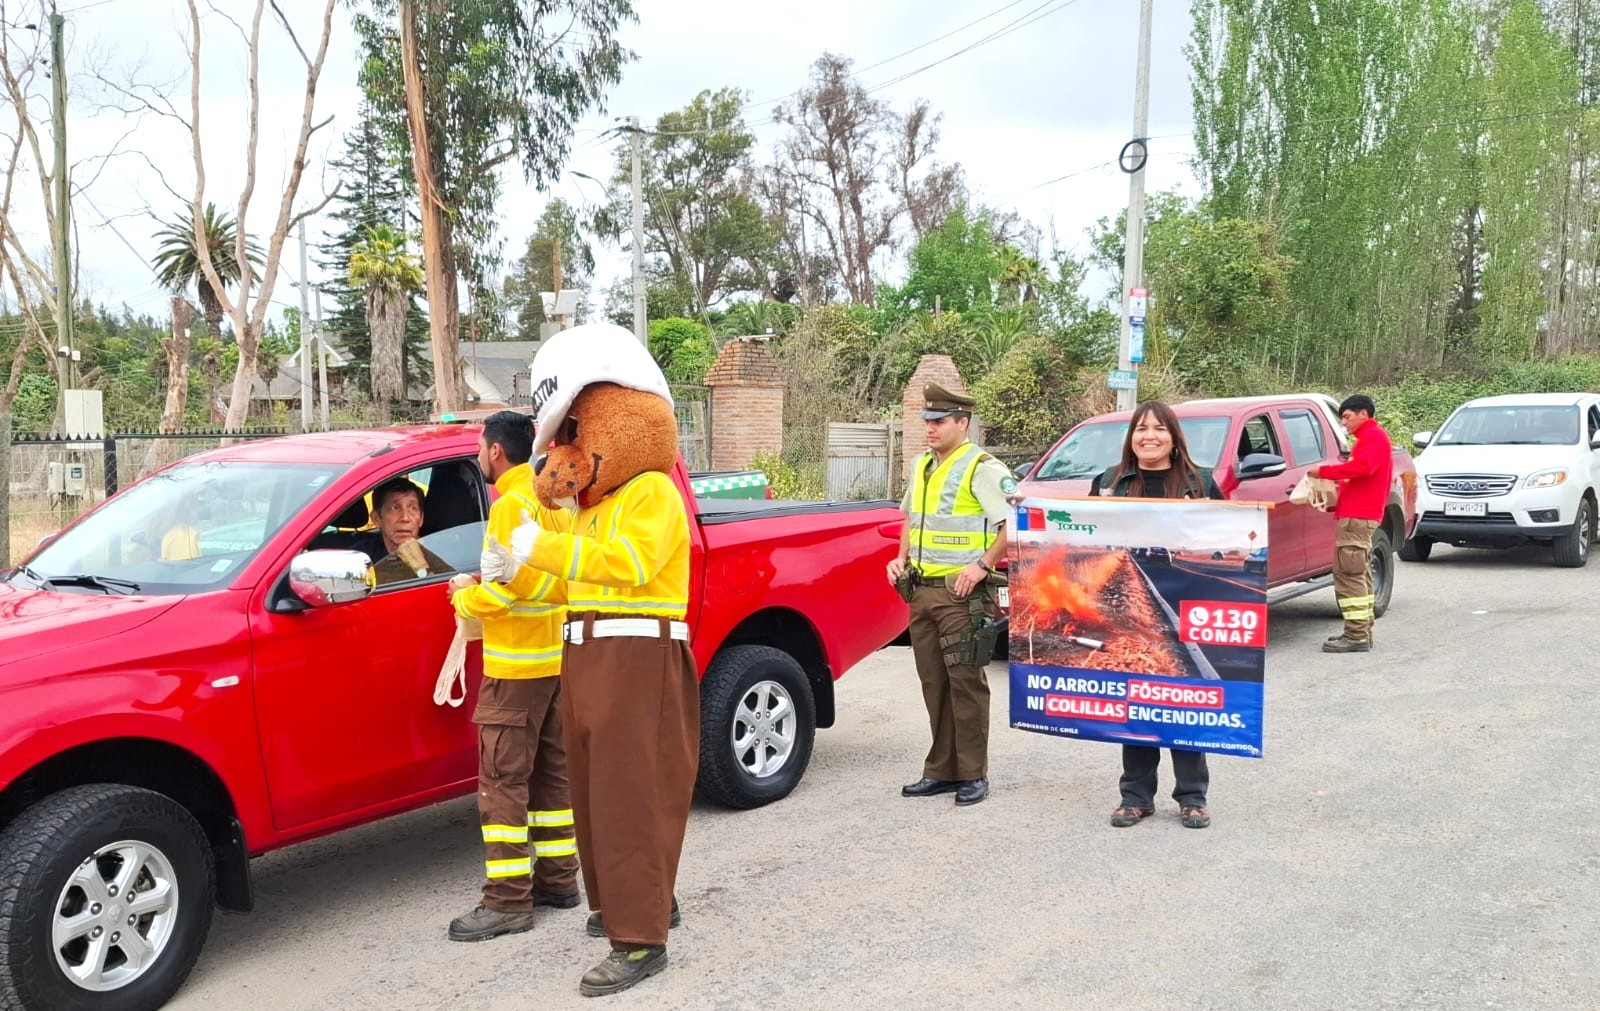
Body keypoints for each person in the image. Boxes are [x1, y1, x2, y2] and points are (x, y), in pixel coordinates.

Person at [443, 411, 579, 943]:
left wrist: (463, 595)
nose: (480, 455)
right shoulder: (552, 502)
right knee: (552, 777)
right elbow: (555, 581)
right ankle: (559, 882)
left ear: (495, 452)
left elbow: (503, 593)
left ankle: (506, 903)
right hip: (555, 664)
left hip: (514, 671)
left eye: (481, 447)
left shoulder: (505, 509)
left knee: (502, 786)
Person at [1090, 399, 1223, 830]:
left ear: (1173, 436)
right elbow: (1083, 535)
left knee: (1183, 698)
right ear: (1131, 437)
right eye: (1141, 429)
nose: (1149, 436)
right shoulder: (1109, 481)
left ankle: (1192, 796)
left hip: (1184, 596)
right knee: (1136, 699)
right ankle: (1135, 796)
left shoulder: (1200, 481)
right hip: (1130, 604)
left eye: (1159, 429)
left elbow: (1224, 533)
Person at [887, 382, 1014, 807]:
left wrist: (981, 567)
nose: (930, 429)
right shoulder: (922, 465)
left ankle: (973, 774)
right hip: (921, 591)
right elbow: (911, 519)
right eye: (927, 421)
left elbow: (1011, 527)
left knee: (965, 685)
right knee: (934, 684)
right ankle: (940, 770)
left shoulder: (983, 467)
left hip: (962, 595)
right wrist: (899, 558)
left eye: (939, 422)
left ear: (963, 422)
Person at [1309, 394, 1393, 654]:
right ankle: (1359, 630)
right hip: (1356, 514)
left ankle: (1356, 635)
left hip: (1359, 517)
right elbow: (1359, 478)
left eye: (1347, 416)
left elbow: (1363, 468)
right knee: (1359, 574)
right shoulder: (1367, 440)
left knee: (1349, 574)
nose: (1344, 422)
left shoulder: (1374, 438)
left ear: (1363, 414)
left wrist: (1324, 472)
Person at [353, 477, 450, 584]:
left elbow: (451, 595)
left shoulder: (440, 553)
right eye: (395, 508)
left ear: (421, 519)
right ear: (376, 518)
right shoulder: (361, 556)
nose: (405, 518)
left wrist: (421, 567)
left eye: (413, 508)